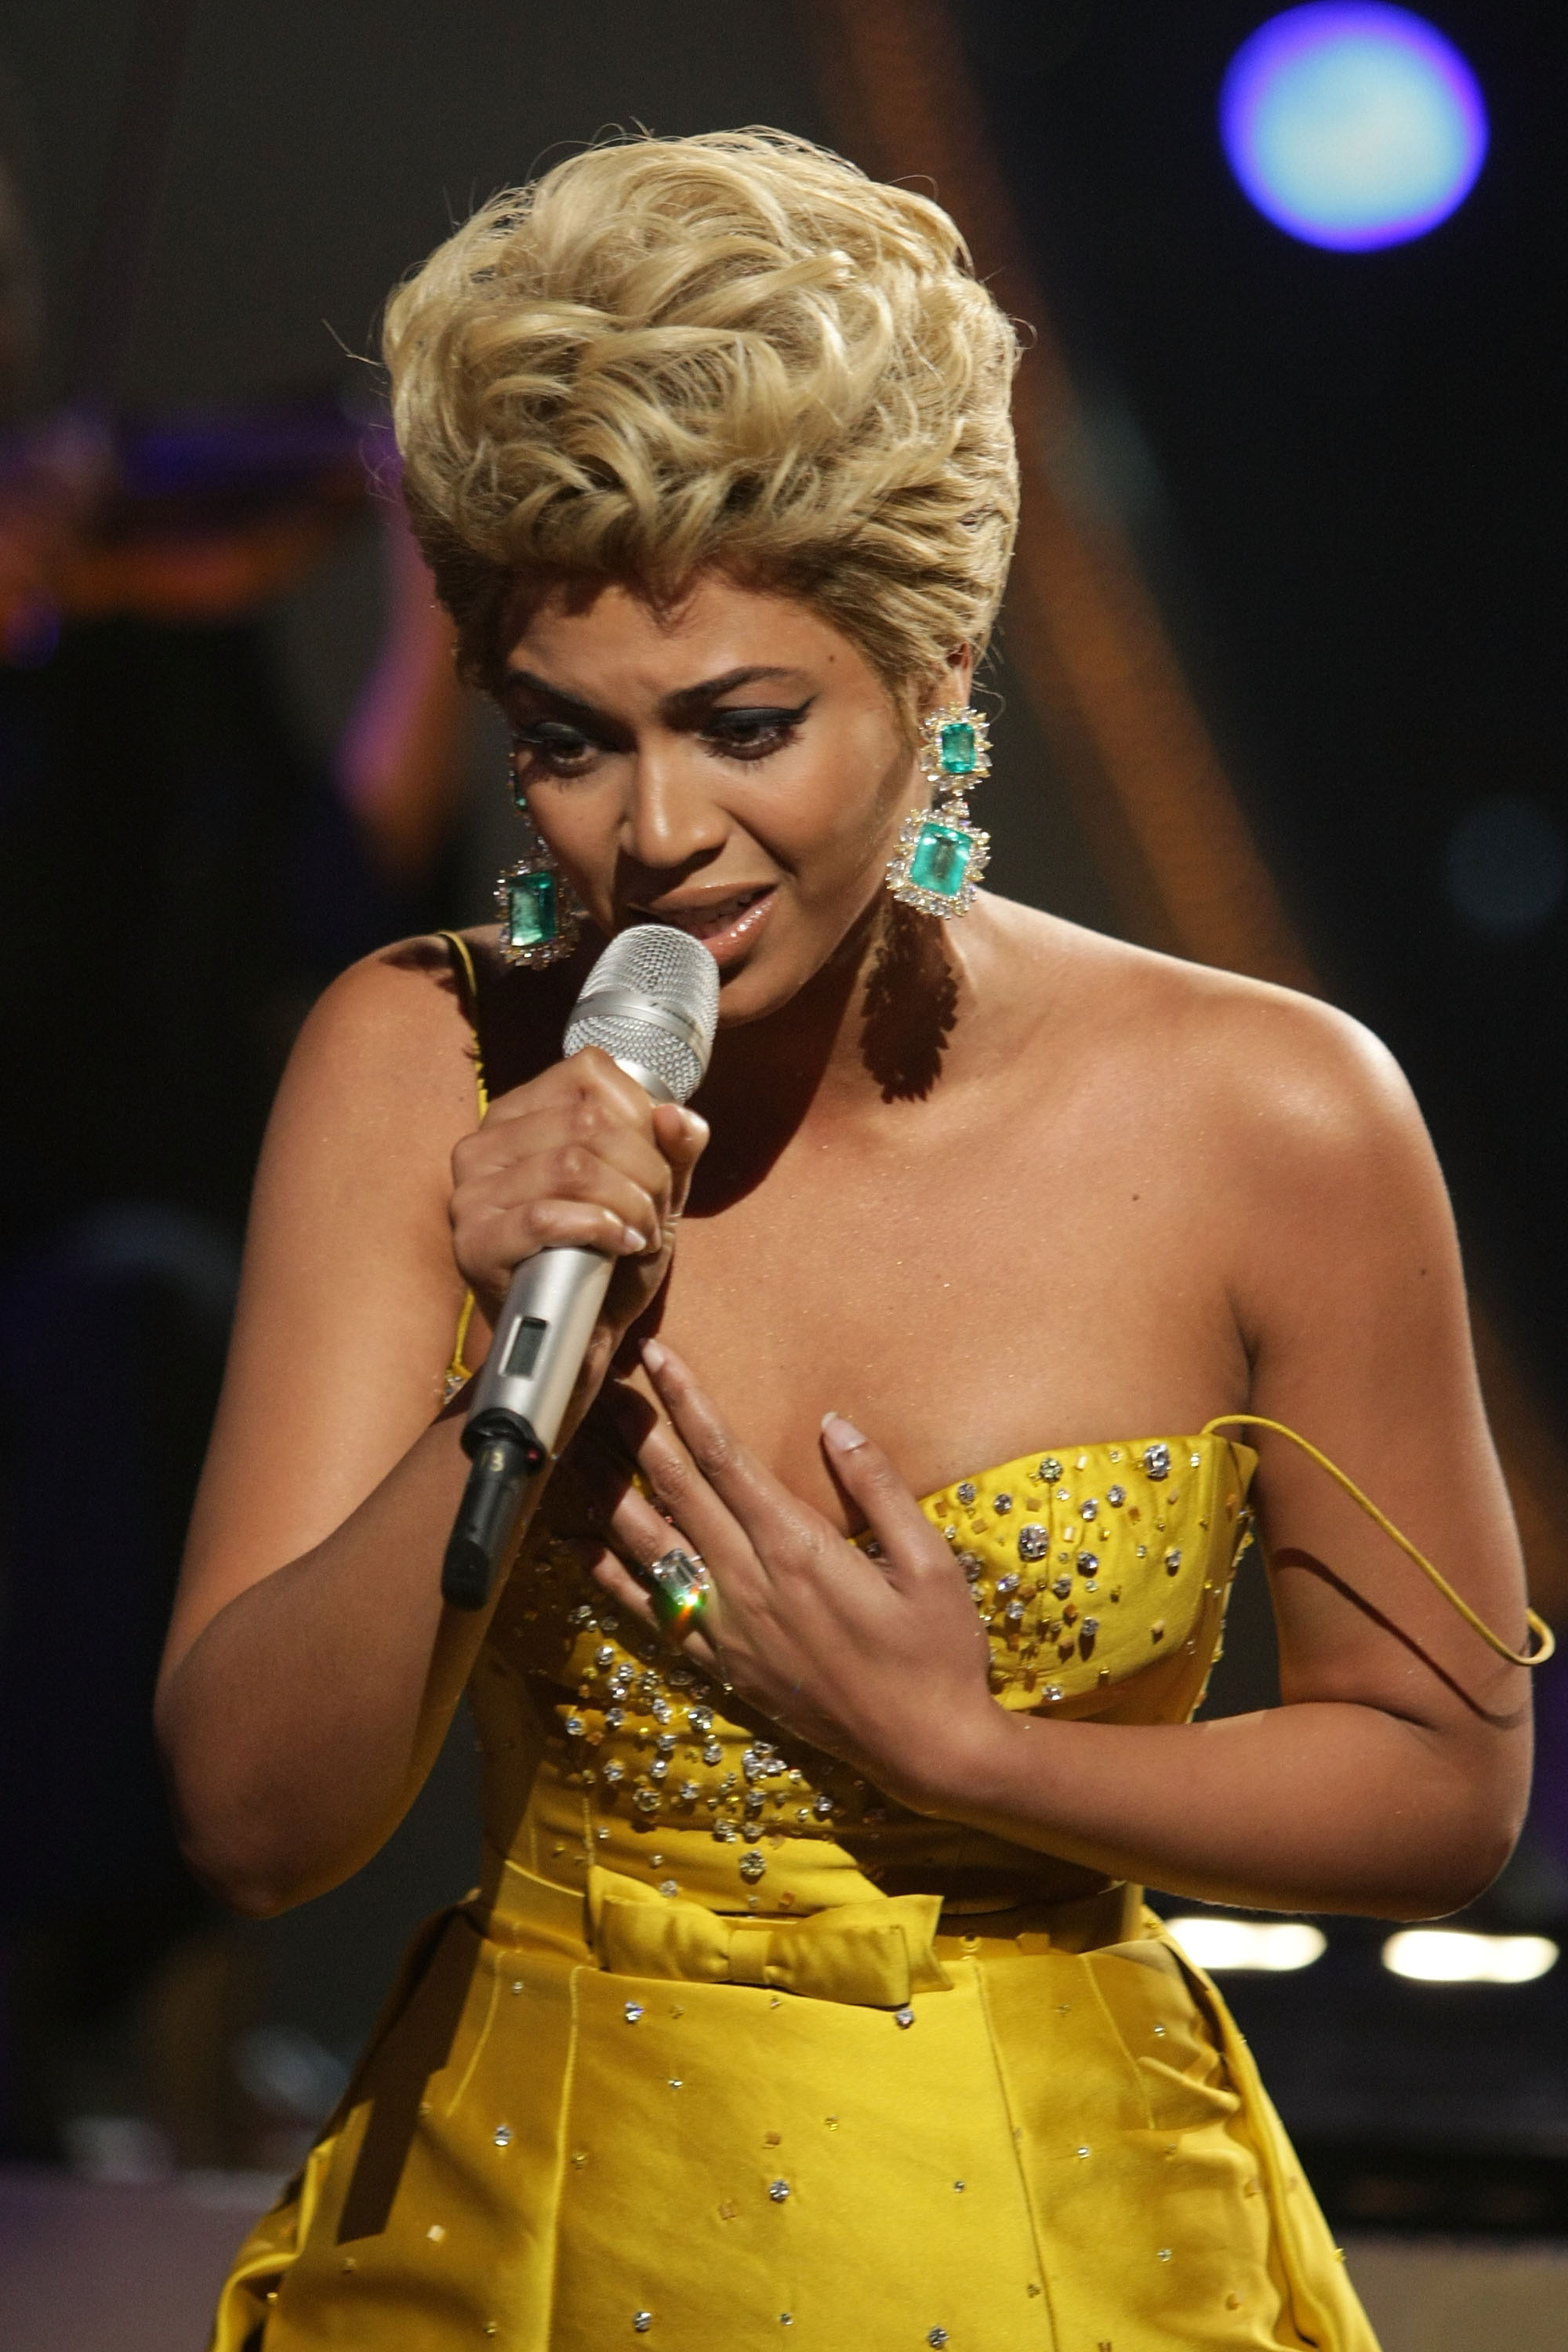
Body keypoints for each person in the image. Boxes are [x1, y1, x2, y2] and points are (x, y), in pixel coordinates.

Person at [158, 132, 1544, 2350]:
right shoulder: (419, 1062)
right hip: (525, 2236)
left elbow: (1443, 1782)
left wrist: (979, 1757)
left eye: (744, 727)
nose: (654, 834)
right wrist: (512, 1368)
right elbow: (254, 1825)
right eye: (569, 743)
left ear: (936, 669)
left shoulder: (1278, 1114)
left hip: (1056, 2244)